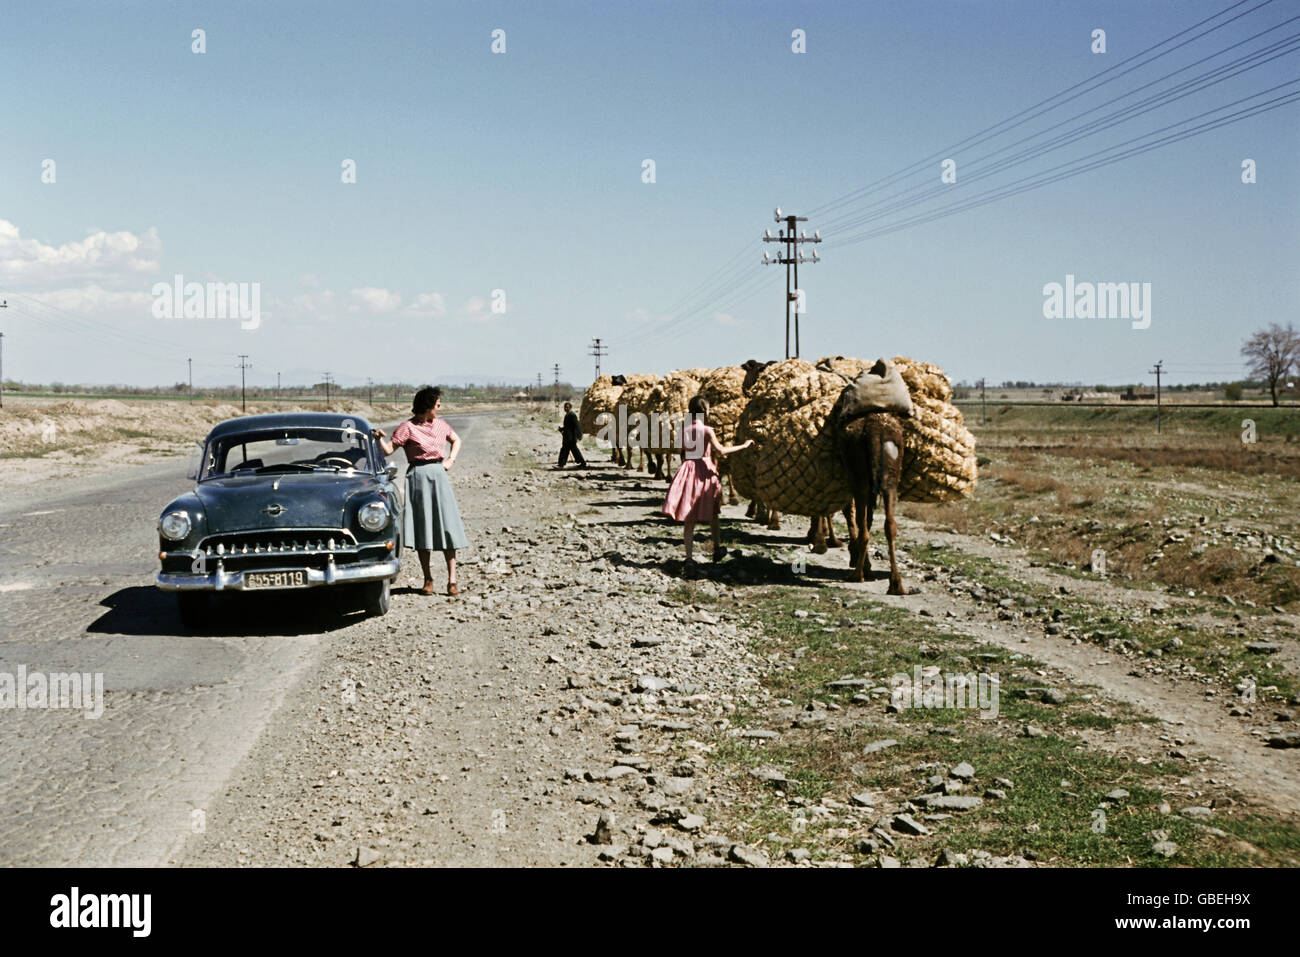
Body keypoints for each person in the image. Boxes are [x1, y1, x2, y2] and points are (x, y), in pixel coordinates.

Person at [372, 386, 469, 596]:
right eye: (437, 405)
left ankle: (452, 580)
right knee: (423, 527)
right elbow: (388, 450)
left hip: (439, 475)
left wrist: (450, 460)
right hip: (417, 476)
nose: (439, 409)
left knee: (447, 526)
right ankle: (428, 579)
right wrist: (378, 437)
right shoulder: (407, 427)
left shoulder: (441, 424)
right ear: (427, 406)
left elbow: (456, 440)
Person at [661, 395, 753, 573]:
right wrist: (743, 446)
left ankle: (688, 559)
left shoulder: (684, 429)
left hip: (687, 469)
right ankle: (717, 549)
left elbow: (680, 450)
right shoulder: (708, 430)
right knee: (713, 512)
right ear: (705, 411)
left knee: (689, 518)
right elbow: (721, 450)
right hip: (704, 470)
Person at [557, 401, 587, 469]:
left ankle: (582, 463)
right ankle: (561, 464)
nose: (566, 408)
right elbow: (568, 426)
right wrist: (562, 429)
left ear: (570, 408)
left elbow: (577, 425)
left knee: (571, 450)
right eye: (565, 407)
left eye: (567, 407)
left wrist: (579, 435)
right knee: (566, 449)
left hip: (571, 437)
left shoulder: (572, 415)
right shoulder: (568, 415)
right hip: (567, 436)